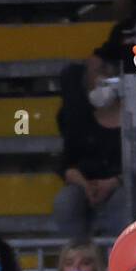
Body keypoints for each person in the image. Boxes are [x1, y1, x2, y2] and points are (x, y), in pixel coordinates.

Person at [54, 61, 124, 240]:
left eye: (107, 71)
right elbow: (66, 163)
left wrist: (113, 183)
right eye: (97, 73)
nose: (102, 78)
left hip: (122, 184)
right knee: (66, 201)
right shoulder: (79, 120)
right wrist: (86, 186)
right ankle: (77, 256)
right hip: (85, 184)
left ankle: (115, 259)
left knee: (123, 201)